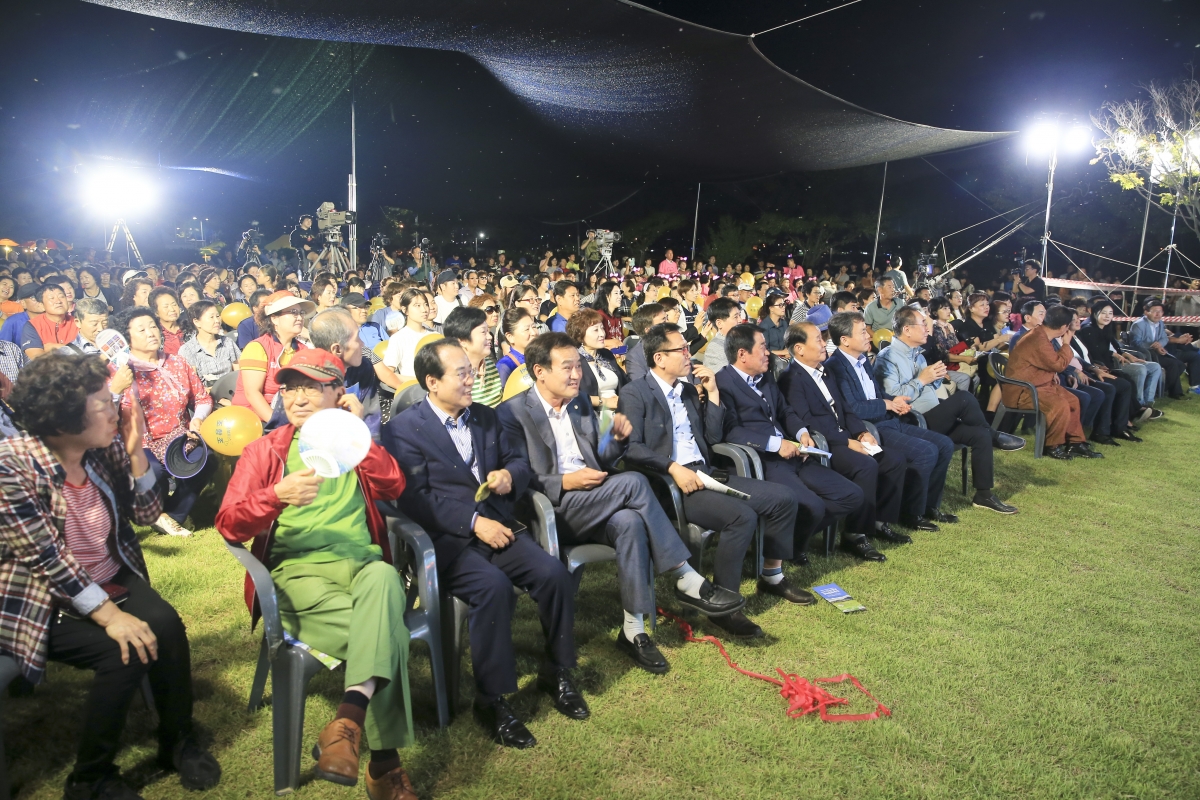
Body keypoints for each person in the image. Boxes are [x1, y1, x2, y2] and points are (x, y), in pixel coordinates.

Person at [0, 354, 221, 800]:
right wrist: (109, 615)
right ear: (63, 417)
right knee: (123, 652)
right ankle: (90, 778)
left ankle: (177, 740)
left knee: (166, 625)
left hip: (107, 574)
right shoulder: (12, 466)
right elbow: (45, 557)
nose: (116, 407)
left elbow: (146, 513)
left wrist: (136, 454)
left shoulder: (103, 448)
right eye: (103, 402)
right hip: (40, 595)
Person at [216, 349, 416, 798]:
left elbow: (395, 485)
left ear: (338, 393)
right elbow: (228, 524)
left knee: (385, 578)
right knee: (388, 633)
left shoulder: (353, 445)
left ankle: (346, 724)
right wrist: (275, 496)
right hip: (299, 574)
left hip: (364, 568)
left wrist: (360, 435)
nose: (297, 398)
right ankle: (383, 763)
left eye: (311, 388)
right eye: (289, 388)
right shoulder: (265, 451)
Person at [500, 333, 742, 675]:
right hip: (551, 510)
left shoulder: (579, 403)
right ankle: (684, 575)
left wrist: (614, 439)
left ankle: (633, 631)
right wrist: (565, 482)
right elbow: (517, 479)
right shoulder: (511, 414)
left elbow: (602, 458)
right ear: (540, 371)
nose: (577, 375)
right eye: (567, 368)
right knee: (634, 481)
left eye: (578, 367)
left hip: (594, 499)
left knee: (629, 522)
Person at [384, 339, 583, 749]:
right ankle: (491, 700)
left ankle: (557, 671)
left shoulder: (486, 417)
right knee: (492, 589)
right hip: (446, 542)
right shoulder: (403, 430)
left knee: (554, 575)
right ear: (432, 382)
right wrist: (473, 523)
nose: (472, 380)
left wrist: (510, 476)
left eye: (471, 371)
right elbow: (415, 499)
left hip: (500, 529)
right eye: (462, 374)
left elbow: (519, 462)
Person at [619, 325, 809, 639]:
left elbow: (712, 437)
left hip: (706, 473)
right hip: (671, 484)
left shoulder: (688, 391)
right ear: (659, 358)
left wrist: (713, 394)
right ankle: (724, 605)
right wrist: (672, 468)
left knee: (783, 498)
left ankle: (771, 576)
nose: (689, 354)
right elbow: (631, 447)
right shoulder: (635, 392)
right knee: (741, 516)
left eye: (686, 348)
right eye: (681, 349)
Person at [714, 324, 875, 562]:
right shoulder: (723, 383)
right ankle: (785, 548)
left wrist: (801, 432)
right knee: (813, 506)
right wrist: (775, 445)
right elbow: (730, 431)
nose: (768, 353)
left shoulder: (765, 377)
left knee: (851, 495)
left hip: (795, 452)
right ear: (742, 354)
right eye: (763, 347)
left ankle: (790, 542)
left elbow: (785, 411)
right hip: (763, 460)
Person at [875, 306, 1022, 512]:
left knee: (979, 435)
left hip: (933, 415)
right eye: (923, 325)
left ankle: (984, 495)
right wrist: (922, 379)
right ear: (907, 330)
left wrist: (935, 377)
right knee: (963, 398)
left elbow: (927, 387)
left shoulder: (917, 354)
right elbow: (894, 398)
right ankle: (995, 436)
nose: (928, 329)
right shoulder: (888, 357)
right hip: (912, 421)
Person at [779, 321, 915, 544]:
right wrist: (847, 441)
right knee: (865, 465)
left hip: (846, 435)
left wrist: (860, 432)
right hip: (826, 443)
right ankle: (855, 534)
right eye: (818, 340)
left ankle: (880, 522)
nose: (824, 344)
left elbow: (845, 408)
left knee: (894, 460)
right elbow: (808, 423)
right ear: (799, 349)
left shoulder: (825, 371)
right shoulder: (791, 379)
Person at [824, 311, 957, 526]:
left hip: (889, 420)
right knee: (927, 451)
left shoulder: (862, 360)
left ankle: (929, 506)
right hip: (873, 428)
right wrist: (887, 404)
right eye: (862, 332)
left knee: (944, 444)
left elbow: (876, 394)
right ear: (845, 340)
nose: (869, 335)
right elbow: (853, 409)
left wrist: (894, 400)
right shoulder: (835, 367)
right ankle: (911, 514)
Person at [107, 307, 214, 536]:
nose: (151, 333)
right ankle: (156, 510)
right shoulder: (117, 370)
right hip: (138, 443)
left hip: (179, 436)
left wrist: (197, 419)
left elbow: (202, 398)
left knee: (207, 458)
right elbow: (102, 415)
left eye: (153, 326)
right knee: (152, 470)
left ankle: (173, 515)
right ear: (127, 338)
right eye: (141, 329)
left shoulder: (177, 363)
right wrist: (115, 390)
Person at [1003, 305, 1101, 460]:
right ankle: (1052, 446)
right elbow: (1059, 365)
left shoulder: (1041, 334)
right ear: (1063, 327)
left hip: (1040, 384)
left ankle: (1075, 443)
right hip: (1024, 390)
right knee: (1060, 405)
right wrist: (1066, 344)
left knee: (1073, 401)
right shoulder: (1038, 339)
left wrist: (1051, 373)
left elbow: (1047, 363)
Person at [231, 290, 314, 424]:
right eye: (293, 312)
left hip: (289, 415)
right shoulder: (257, 348)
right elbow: (253, 394)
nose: (299, 317)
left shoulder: (303, 350)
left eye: (301, 313)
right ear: (274, 318)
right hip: (254, 421)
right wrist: (278, 424)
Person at [1078, 300, 1162, 425]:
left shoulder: (1106, 328)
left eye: (1110, 313)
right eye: (1104, 313)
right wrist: (1111, 357)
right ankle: (1134, 413)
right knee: (1126, 380)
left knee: (1128, 379)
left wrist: (1122, 353)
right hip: (1100, 366)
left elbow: (1112, 347)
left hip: (1110, 364)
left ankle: (1138, 410)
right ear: (1095, 313)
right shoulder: (1088, 330)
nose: (1107, 316)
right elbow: (1094, 352)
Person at [1129, 298, 1200, 397]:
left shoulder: (1160, 323)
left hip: (1159, 352)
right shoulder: (1139, 325)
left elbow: (1164, 338)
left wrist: (1159, 344)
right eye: (1155, 311)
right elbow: (1136, 344)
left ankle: (1162, 388)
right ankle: (1175, 393)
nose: (1158, 314)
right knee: (1174, 364)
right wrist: (1154, 346)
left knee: (1181, 365)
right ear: (1146, 312)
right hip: (1146, 354)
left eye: (1160, 312)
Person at [568, 309, 628, 415]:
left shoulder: (606, 355)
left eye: (602, 328)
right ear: (580, 335)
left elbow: (626, 382)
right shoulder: (574, 361)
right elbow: (571, 395)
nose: (602, 334)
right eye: (596, 330)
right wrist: (604, 402)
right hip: (592, 416)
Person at [444, 306, 503, 407]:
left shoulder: (490, 365)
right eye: (483, 332)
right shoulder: (450, 377)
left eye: (488, 331)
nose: (489, 337)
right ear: (462, 341)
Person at [180, 299, 240, 389]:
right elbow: (192, 385)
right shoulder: (187, 350)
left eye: (217, 316)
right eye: (211, 317)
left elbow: (238, 372)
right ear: (197, 322)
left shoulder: (228, 342)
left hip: (232, 391)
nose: (217, 321)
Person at [382, 288, 435, 381]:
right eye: (417, 305)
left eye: (425, 304)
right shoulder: (398, 338)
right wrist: (417, 381)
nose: (424, 309)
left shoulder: (435, 335)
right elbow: (388, 373)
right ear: (404, 310)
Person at [22, 282, 78, 359]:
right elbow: (37, 358)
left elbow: (88, 351)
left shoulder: (77, 322)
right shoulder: (32, 325)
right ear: (41, 305)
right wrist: (72, 349)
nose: (58, 301)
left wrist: (54, 348)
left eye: (61, 297)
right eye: (52, 298)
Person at [623, 303, 667, 382]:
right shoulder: (635, 357)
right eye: (664, 321)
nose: (669, 324)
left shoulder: (677, 344)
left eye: (667, 319)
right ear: (648, 330)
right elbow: (641, 386)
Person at [702, 297, 744, 373]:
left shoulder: (743, 339)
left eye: (740, 315)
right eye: (735, 317)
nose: (740, 320)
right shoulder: (715, 348)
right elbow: (726, 376)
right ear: (719, 323)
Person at [496, 306, 534, 386]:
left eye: (534, 327)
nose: (534, 332)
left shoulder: (542, 356)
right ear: (510, 337)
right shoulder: (505, 366)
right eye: (527, 329)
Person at [149, 287, 192, 356]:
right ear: (156, 312)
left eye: (174, 305)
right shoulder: (154, 334)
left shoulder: (190, 328)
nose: (172, 309)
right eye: (166, 307)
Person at [759, 292, 790, 356]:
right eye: (780, 305)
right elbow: (763, 350)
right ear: (771, 308)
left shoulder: (784, 323)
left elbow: (788, 343)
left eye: (784, 304)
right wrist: (783, 352)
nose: (783, 307)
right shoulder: (763, 327)